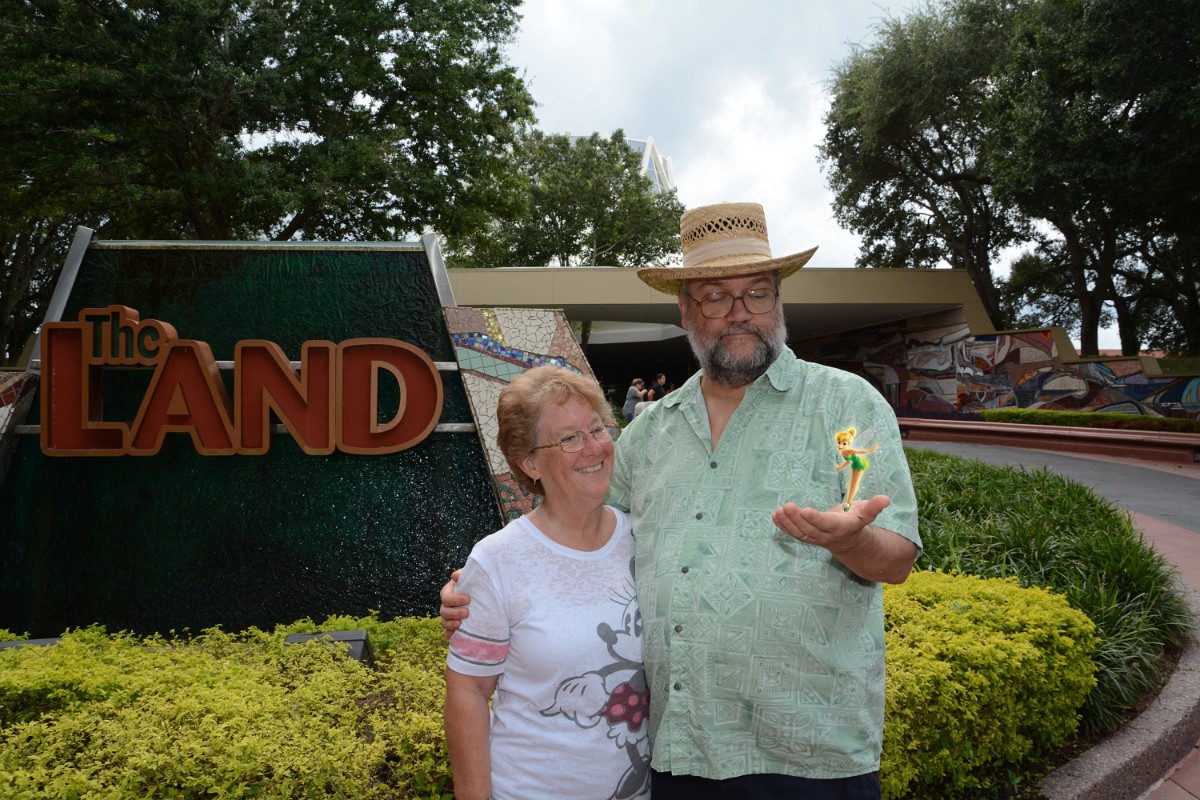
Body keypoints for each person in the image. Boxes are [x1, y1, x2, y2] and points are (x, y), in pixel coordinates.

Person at [443, 201, 921, 800]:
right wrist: (483, 587)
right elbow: (579, 530)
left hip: (811, 755)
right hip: (681, 756)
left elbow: (897, 558)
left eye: (757, 293)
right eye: (716, 296)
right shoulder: (649, 432)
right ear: (686, 309)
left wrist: (853, 541)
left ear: (778, 299)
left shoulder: (846, 406)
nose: (740, 312)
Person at [443, 365, 649, 800]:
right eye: (569, 438)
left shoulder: (643, 538)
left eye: (597, 428)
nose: (593, 448)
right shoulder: (498, 560)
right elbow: (469, 690)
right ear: (530, 462)